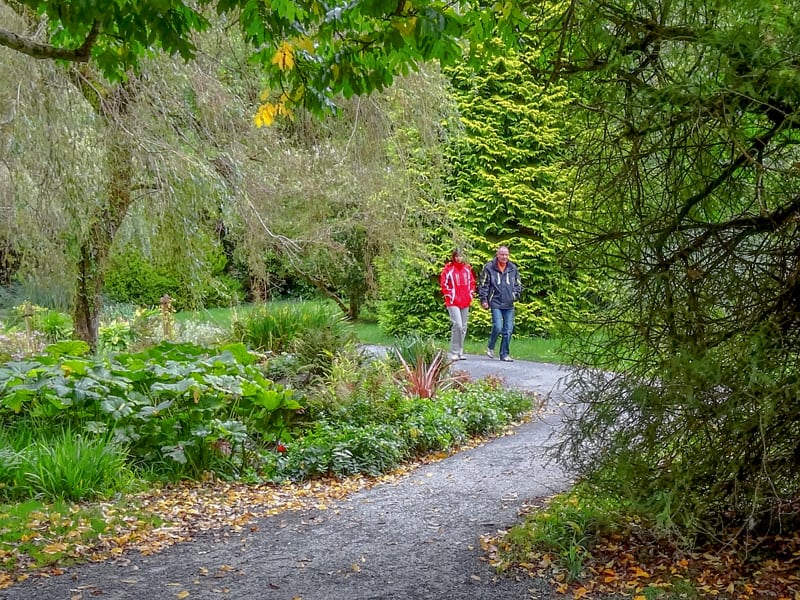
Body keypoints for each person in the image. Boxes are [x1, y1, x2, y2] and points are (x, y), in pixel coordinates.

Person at [478, 245, 522, 362]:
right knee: (498, 327)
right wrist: (484, 300)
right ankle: (490, 346)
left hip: (509, 304)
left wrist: (514, 296)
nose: (504, 257)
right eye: (502, 254)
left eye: (506, 254)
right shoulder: (489, 267)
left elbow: (518, 285)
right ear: (497, 255)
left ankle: (504, 354)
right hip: (495, 302)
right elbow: (483, 285)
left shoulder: (513, 268)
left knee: (508, 329)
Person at [439, 249, 476, 361]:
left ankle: (460, 351)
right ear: (454, 257)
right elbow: (444, 284)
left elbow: (472, 283)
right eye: (457, 256)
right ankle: (454, 352)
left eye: (461, 256)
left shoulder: (467, 269)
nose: (459, 258)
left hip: (465, 300)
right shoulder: (448, 269)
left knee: (464, 326)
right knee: (458, 325)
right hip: (453, 301)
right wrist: (449, 295)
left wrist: (470, 294)